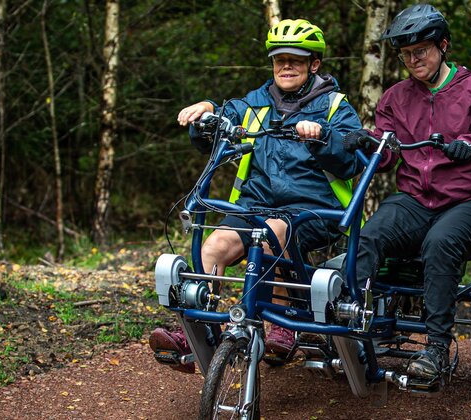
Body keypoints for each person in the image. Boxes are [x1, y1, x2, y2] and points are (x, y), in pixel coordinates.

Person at [150, 19, 365, 373]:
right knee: (213, 246)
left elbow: (349, 160)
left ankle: (280, 322)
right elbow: (221, 122)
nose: (286, 66)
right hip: (255, 205)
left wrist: (321, 137)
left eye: (296, 60)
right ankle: (198, 332)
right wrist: (206, 111)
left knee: (271, 232)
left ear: (314, 64)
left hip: (315, 211)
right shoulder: (255, 103)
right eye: (279, 59)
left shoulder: (335, 106)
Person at [342, 3, 471, 381]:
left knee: (441, 241)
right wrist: (364, 143)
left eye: (421, 51)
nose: (413, 60)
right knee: (369, 235)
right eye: (406, 55)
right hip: (418, 200)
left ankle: (435, 347)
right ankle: (352, 325)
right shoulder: (396, 98)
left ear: (443, 45)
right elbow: (386, 155)